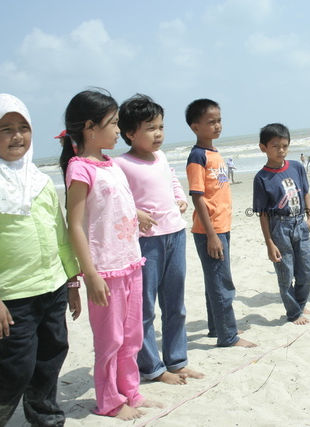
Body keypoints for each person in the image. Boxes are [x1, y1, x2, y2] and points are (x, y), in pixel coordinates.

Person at [59, 89, 161, 420]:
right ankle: (108, 401)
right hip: (104, 270)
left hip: (131, 261)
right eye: (113, 123)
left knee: (132, 335)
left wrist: (138, 215)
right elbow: (75, 225)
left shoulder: (111, 164)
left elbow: (116, 203)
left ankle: (130, 391)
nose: (118, 130)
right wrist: (89, 274)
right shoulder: (79, 169)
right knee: (110, 340)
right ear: (90, 127)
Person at [0, 94, 81, 427]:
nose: (17, 136)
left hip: (53, 287)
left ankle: (46, 418)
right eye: (6, 129)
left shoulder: (40, 181)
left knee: (51, 357)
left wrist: (72, 281)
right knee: (17, 367)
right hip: (12, 296)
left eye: (23, 128)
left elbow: (60, 234)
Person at [115, 94, 204, 385]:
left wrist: (180, 198)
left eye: (161, 127)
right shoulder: (120, 164)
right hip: (146, 242)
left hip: (175, 235)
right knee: (144, 309)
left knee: (175, 304)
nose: (158, 134)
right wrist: (135, 212)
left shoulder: (161, 156)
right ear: (130, 133)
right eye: (151, 128)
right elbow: (114, 199)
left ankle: (177, 361)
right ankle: (152, 367)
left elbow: (172, 179)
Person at [185, 98, 257, 348]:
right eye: (211, 122)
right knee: (221, 283)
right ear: (195, 127)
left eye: (219, 121)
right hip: (210, 230)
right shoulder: (197, 156)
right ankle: (228, 336)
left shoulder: (214, 152)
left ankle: (217, 327)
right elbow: (197, 197)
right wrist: (211, 234)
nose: (217, 126)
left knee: (214, 281)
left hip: (222, 227)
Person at [253, 123, 310, 325]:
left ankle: (300, 302)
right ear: (263, 147)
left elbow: (305, 193)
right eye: (275, 146)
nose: (281, 150)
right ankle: (294, 313)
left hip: (300, 224)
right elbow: (263, 214)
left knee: (309, 273)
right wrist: (269, 243)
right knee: (286, 274)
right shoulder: (262, 178)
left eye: (285, 146)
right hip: (279, 228)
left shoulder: (297, 167)